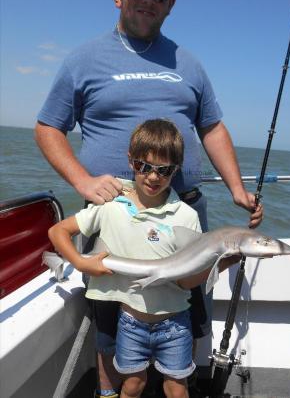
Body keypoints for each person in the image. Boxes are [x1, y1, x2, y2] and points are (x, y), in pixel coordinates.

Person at [35, 0, 263, 396]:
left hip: (183, 215)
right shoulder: (83, 60)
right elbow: (48, 127)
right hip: (114, 212)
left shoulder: (189, 64)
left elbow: (212, 126)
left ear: (171, 2)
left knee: (183, 312)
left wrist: (237, 187)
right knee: (111, 322)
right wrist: (82, 181)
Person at [48, 119, 240, 398]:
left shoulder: (186, 216)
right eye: (144, 166)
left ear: (176, 170)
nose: (153, 177)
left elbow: (187, 282)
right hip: (129, 320)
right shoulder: (111, 206)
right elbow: (57, 231)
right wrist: (79, 262)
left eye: (164, 170)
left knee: (177, 387)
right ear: (131, 161)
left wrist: (223, 261)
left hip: (176, 323)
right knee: (132, 384)